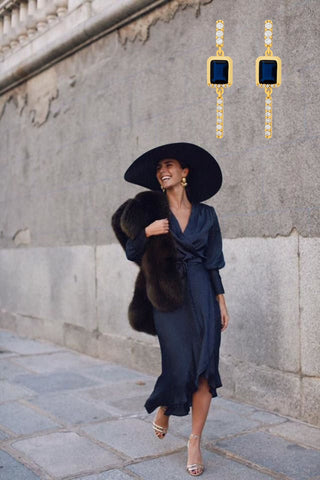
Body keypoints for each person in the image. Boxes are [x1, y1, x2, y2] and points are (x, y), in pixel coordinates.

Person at [118, 142, 229, 477]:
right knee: (180, 363)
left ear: (184, 172)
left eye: (168, 165)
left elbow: (213, 262)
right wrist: (146, 232)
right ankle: (165, 404)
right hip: (169, 298)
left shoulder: (207, 214)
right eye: (158, 168)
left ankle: (194, 440)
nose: (162, 171)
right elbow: (130, 250)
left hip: (203, 294)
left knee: (206, 369)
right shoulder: (151, 211)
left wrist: (221, 302)